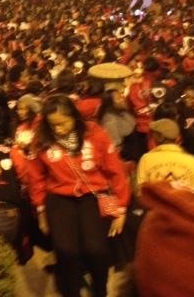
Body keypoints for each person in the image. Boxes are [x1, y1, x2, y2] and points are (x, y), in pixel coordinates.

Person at [27, 94, 130, 297]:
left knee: (96, 248)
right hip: (59, 197)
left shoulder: (95, 133)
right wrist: (41, 211)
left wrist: (121, 208)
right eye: (53, 125)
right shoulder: (42, 140)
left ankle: (100, 288)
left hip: (93, 195)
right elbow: (36, 178)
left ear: (74, 117)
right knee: (65, 250)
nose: (58, 129)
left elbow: (116, 171)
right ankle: (71, 291)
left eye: (63, 123)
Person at [136, 118, 194, 193]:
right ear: (177, 139)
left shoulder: (146, 159)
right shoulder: (193, 161)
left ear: (159, 137)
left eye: (153, 134)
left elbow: (140, 192)